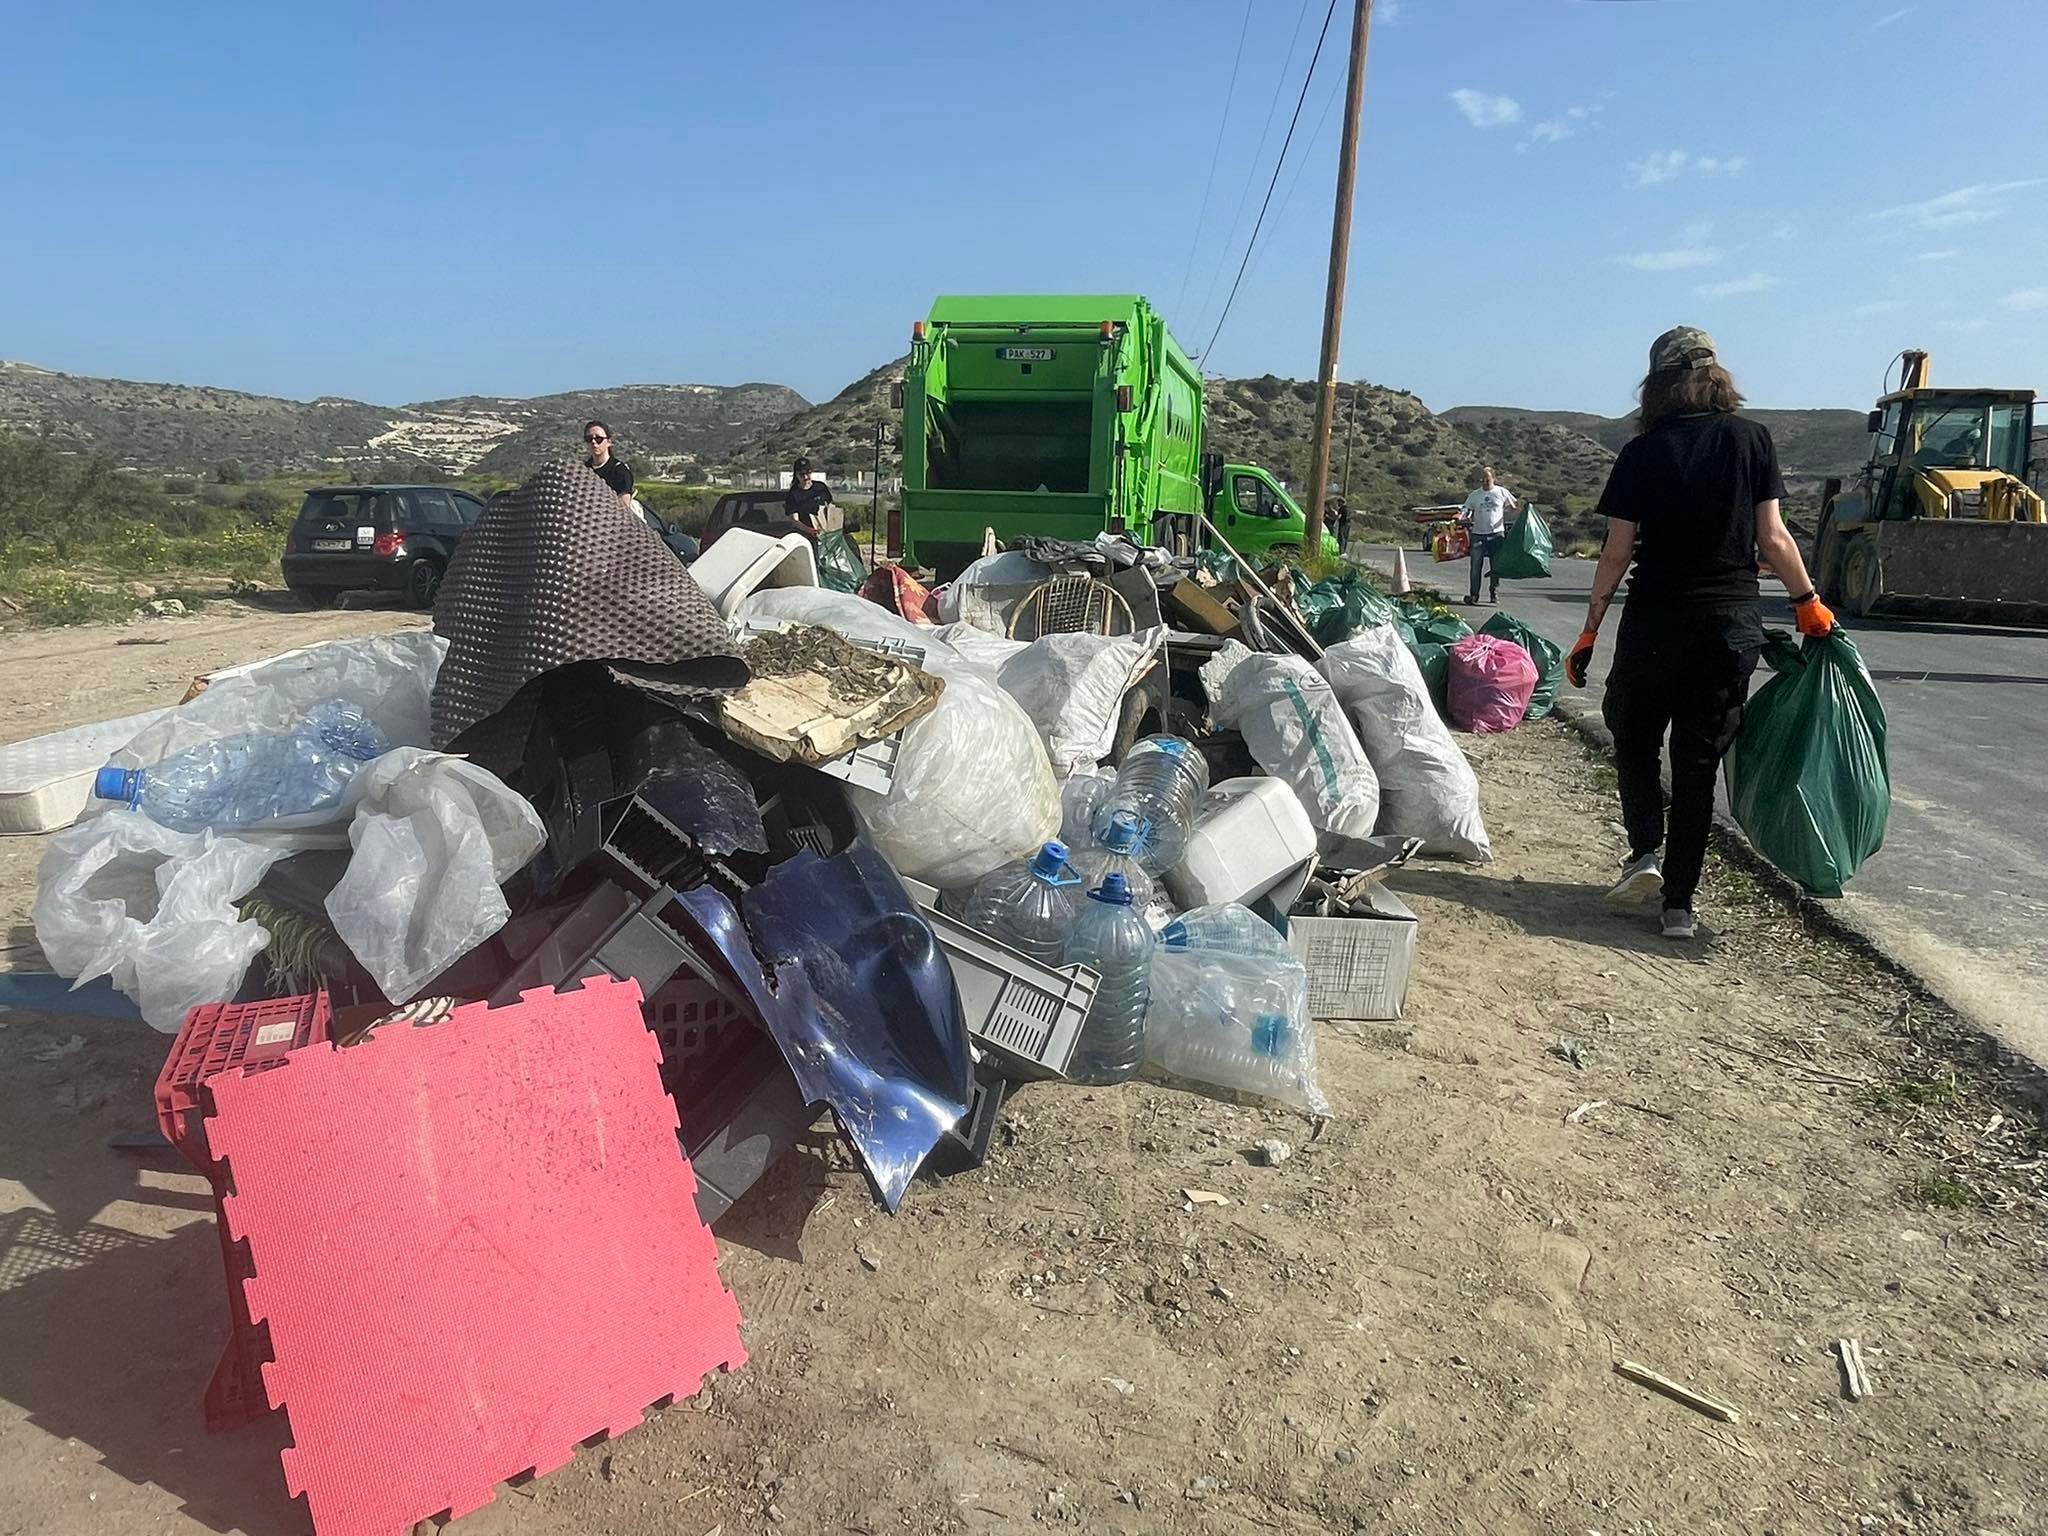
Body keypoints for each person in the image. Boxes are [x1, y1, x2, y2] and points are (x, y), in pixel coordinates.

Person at [1565, 326, 1836, 941]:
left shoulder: (1643, 452)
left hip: (1656, 621)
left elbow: (1615, 552)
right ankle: (1679, 908)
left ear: (1657, 385)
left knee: (1633, 737)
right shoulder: (1752, 440)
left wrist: (1589, 631)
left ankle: (1644, 855)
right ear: (1717, 377)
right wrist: (1808, 602)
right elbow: (1774, 538)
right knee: (1696, 763)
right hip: (1729, 626)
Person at [1457, 466, 1518, 604]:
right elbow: (1466, 509)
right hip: (1478, 535)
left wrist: (1523, 514)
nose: (1485, 482)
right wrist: (1461, 515)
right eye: (1482, 480)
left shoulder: (1502, 492)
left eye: (1487, 479)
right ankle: (1474, 595)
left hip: (1496, 535)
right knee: (1475, 565)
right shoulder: (1474, 495)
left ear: (1494, 479)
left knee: (1495, 566)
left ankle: (1493, 591)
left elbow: (1513, 507)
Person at [583, 421, 635, 508]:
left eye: (598, 439)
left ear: (608, 442)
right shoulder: (584, 470)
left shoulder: (620, 472)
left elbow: (624, 507)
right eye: (589, 439)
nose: (593, 442)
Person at [783, 456, 832, 534]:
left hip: (826, 530)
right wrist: (810, 530)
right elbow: (795, 520)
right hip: (806, 533)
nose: (805, 477)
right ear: (796, 474)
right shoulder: (793, 494)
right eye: (801, 474)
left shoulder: (820, 487)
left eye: (808, 473)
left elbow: (830, 508)